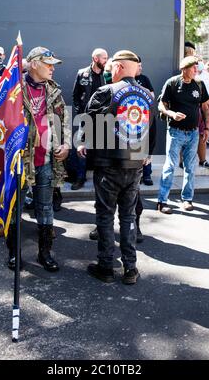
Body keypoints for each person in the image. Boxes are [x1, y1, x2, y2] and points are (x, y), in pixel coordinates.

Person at [79, 50, 155, 285]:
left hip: (108, 164)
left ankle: (105, 267)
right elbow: (152, 130)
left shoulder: (105, 92)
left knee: (104, 215)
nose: (110, 71)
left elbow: (89, 124)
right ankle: (130, 269)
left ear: (120, 67)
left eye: (112, 67)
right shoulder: (148, 96)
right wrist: (146, 155)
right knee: (128, 215)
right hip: (134, 164)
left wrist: (85, 146)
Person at [6, 46, 70, 272]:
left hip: (46, 158)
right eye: (48, 64)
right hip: (21, 159)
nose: (52, 68)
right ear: (34, 64)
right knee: (16, 207)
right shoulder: (14, 89)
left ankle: (45, 253)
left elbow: (63, 121)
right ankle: (14, 253)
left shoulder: (54, 90)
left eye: (53, 64)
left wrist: (65, 143)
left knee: (45, 206)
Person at [157, 56, 209, 214]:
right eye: (193, 68)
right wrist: (171, 113)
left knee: (190, 167)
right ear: (184, 69)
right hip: (175, 132)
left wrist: (206, 128)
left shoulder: (199, 84)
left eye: (196, 68)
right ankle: (162, 201)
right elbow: (161, 104)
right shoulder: (172, 83)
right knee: (170, 166)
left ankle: (187, 199)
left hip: (193, 133)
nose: (196, 70)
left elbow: (206, 107)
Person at [72, 48, 108, 190]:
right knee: (82, 147)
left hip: (103, 118)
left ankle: (100, 180)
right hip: (85, 117)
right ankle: (80, 178)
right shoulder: (82, 73)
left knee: (101, 149)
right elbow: (75, 95)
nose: (106, 60)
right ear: (95, 59)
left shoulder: (107, 75)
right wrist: (79, 112)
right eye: (104, 58)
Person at [135, 55, 156, 185]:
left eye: (141, 65)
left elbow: (152, 96)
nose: (141, 68)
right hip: (130, 119)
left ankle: (147, 174)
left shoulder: (144, 79)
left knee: (146, 146)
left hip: (144, 117)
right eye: (139, 66)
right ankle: (137, 174)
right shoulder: (125, 80)